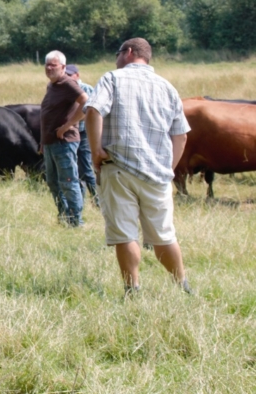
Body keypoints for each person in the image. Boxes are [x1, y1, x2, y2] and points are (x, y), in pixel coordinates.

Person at [84, 37, 192, 296]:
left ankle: (133, 289)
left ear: (129, 52)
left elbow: (93, 111)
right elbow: (181, 135)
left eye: (118, 52)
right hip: (157, 174)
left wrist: (96, 150)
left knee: (125, 233)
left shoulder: (112, 78)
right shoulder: (167, 87)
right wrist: (169, 168)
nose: (116, 58)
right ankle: (183, 285)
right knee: (164, 235)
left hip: (119, 167)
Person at [40, 51, 89, 227]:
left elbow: (86, 102)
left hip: (64, 141)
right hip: (50, 142)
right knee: (53, 182)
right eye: (47, 65)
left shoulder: (68, 83)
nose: (49, 68)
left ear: (63, 67)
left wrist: (67, 126)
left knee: (68, 181)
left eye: (53, 65)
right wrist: (42, 142)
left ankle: (76, 221)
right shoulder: (52, 85)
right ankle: (64, 215)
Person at [66, 64, 99, 206]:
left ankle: (97, 199)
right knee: (74, 166)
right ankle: (81, 198)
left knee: (85, 166)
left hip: (84, 133)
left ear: (77, 75)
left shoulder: (86, 89)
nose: (67, 77)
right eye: (65, 74)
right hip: (70, 133)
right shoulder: (64, 88)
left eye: (70, 74)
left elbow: (91, 112)